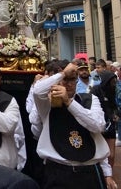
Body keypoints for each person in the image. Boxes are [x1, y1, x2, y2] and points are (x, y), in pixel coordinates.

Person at [33, 61, 116, 189]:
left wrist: (69, 103)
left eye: (72, 79)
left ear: (77, 81)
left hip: (89, 171)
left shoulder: (90, 99)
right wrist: (62, 73)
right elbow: (37, 91)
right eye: (64, 79)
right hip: (58, 171)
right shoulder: (47, 104)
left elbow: (98, 125)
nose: (67, 83)